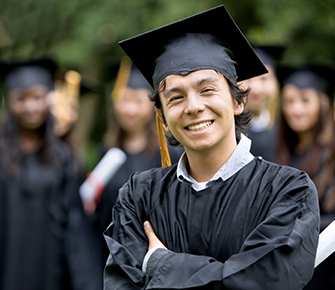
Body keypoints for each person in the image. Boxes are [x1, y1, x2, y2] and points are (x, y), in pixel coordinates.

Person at [103, 5, 320, 290]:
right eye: (176, 98)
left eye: (207, 90)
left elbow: (267, 283)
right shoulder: (138, 197)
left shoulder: (288, 191)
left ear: (238, 100)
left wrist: (159, 264)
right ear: (163, 118)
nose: (193, 107)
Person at [0, 58, 101, 290]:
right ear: (9, 101)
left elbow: (75, 226)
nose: (30, 107)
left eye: (37, 97)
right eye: (20, 99)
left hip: (49, 269)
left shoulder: (62, 157)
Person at [85, 58, 183, 275]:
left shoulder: (168, 153)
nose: (129, 109)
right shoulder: (106, 149)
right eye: (124, 99)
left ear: (152, 105)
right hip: (109, 254)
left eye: (138, 101)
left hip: (153, 257)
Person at [274, 65, 335, 290]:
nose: (295, 109)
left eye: (305, 100)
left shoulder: (331, 156)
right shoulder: (282, 154)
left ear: (322, 103)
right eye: (289, 101)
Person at [242, 46, 282, 161]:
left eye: (264, 79)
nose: (256, 88)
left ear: (276, 85)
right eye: (249, 78)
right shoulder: (229, 134)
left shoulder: (286, 135)